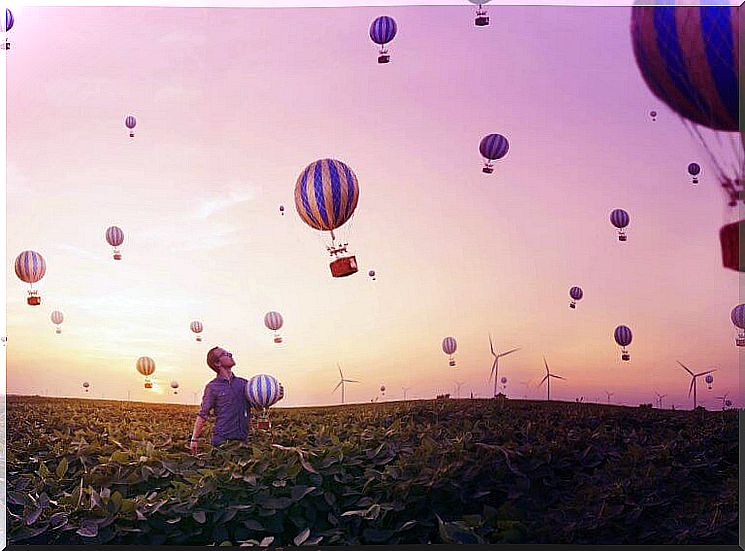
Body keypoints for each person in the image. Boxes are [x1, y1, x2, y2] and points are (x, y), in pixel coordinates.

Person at [189, 346, 284, 454]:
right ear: (217, 363)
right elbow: (203, 414)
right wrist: (194, 439)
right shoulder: (212, 387)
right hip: (222, 441)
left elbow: (257, 407)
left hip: (243, 440)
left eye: (228, 352)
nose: (230, 354)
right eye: (225, 354)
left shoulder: (245, 384)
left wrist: (274, 397)